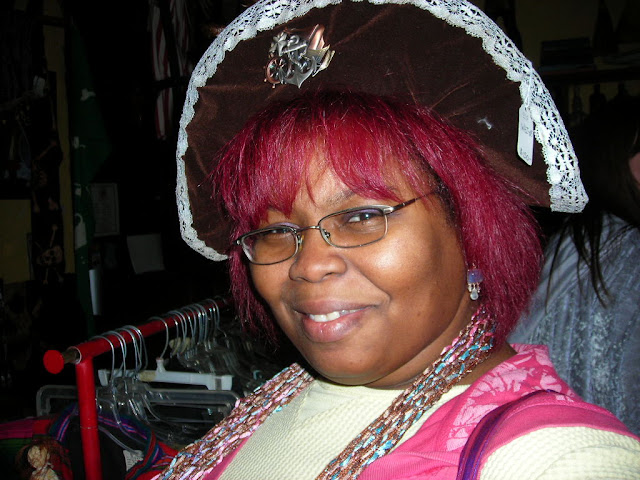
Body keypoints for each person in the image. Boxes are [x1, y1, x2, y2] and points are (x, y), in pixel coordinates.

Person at [159, 0, 640, 478]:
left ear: (470, 231)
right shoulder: (269, 403)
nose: (309, 265)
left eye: (362, 216)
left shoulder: (559, 458)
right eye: (275, 232)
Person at [510, 96, 640, 436]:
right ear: (614, 160)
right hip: (575, 431)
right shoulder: (620, 246)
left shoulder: (587, 234)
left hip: (539, 420)